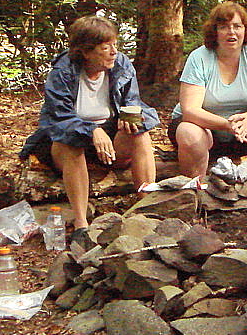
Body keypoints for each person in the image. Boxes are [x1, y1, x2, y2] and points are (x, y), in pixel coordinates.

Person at [20, 16, 158, 243]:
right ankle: (81, 223)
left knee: (140, 134)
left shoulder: (121, 65)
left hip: (109, 142)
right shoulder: (62, 72)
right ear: (86, 52)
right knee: (70, 143)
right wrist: (92, 130)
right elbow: (58, 118)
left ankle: (148, 207)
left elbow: (134, 103)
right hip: (68, 142)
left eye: (115, 45)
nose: (114, 52)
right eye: (106, 48)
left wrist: (134, 118)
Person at [168, 1, 247, 178]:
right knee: (189, 131)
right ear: (215, 32)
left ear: (245, 30)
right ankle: (195, 191)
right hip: (203, 128)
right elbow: (190, 111)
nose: (232, 32)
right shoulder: (199, 57)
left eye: (237, 26)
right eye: (224, 27)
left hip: (241, 131)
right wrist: (226, 125)